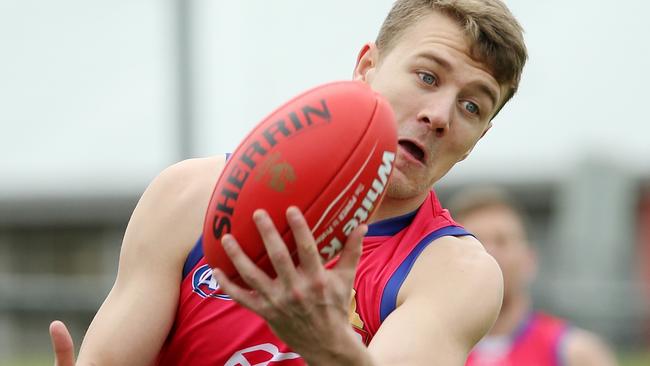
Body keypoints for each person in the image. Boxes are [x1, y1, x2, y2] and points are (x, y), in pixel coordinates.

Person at [49, 0, 528, 364]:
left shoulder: (457, 272)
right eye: (427, 76)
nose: (440, 115)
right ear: (367, 68)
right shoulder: (192, 196)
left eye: (472, 106)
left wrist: (328, 347)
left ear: (478, 138)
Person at [447, 187, 618, 366]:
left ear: (530, 259)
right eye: (477, 241)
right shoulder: (431, 350)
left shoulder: (576, 354)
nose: (490, 253)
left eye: (502, 241)